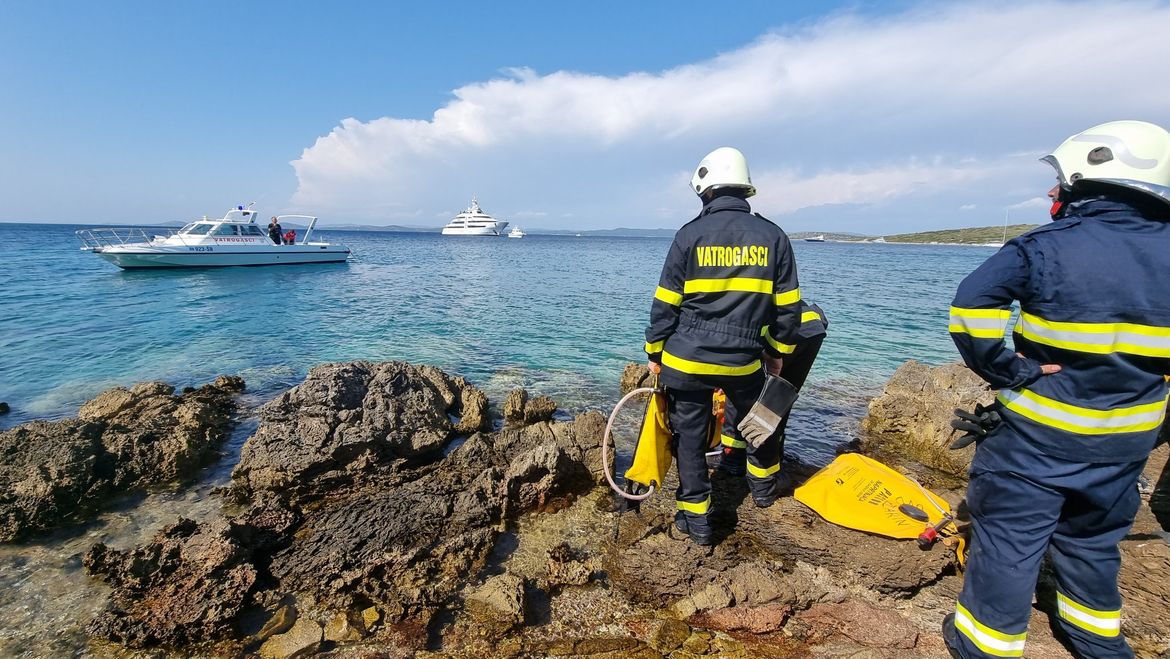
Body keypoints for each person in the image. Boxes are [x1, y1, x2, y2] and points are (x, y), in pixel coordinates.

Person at [943, 120, 1170, 658]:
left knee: (1008, 544)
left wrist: (1009, 371)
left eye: (1061, 183)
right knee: (1093, 544)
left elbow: (969, 307)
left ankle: (982, 646)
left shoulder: (1045, 248)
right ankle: (1097, 642)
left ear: (1087, 184)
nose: (1052, 192)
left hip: (1036, 437)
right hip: (1126, 442)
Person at [644, 146, 801, 546]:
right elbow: (788, 308)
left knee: (691, 439)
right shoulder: (774, 237)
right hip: (744, 362)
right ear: (744, 189)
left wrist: (654, 352)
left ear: (705, 190)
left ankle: (696, 521)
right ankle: (762, 490)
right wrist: (776, 351)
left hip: (686, 360)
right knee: (757, 420)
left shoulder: (688, 235)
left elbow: (665, 304)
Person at [717, 300, 827, 476]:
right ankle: (775, 456)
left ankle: (733, 459)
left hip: (779, 333)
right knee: (779, 398)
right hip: (812, 327)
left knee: (739, 393)